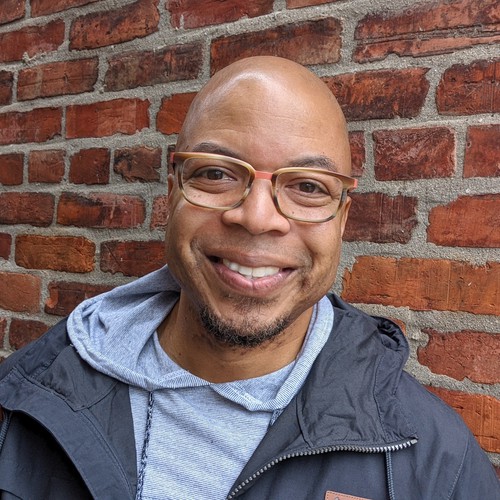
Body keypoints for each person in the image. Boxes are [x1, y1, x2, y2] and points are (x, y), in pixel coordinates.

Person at [0, 56, 498, 500]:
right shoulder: (24, 398)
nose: (258, 219)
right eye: (217, 173)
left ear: (343, 219)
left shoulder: (437, 466)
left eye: (308, 186)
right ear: (171, 193)